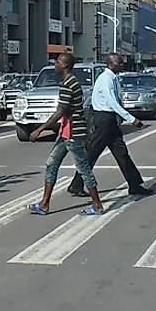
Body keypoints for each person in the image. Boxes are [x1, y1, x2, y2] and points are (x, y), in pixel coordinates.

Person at [67, 52, 152, 198]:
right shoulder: (106, 79)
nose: (122, 65)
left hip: (110, 120)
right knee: (92, 153)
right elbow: (112, 102)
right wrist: (131, 119)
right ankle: (76, 184)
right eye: (119, 62)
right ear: (111, 63)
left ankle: (134, 184)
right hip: (104, 119)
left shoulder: (113, 78)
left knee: (122, 153)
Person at [28, 53, 105, 215]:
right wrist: (87, 136)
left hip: (72, 133)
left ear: (64, 65)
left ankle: (97, 205)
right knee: (51, 164)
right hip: (66, 132)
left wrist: (39, 129)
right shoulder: (71, 82)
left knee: (83, 168)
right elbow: (77, 111)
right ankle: (44, 204)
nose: (55, 64)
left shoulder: (68, 84)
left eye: (57, 62)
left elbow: (60, 112)